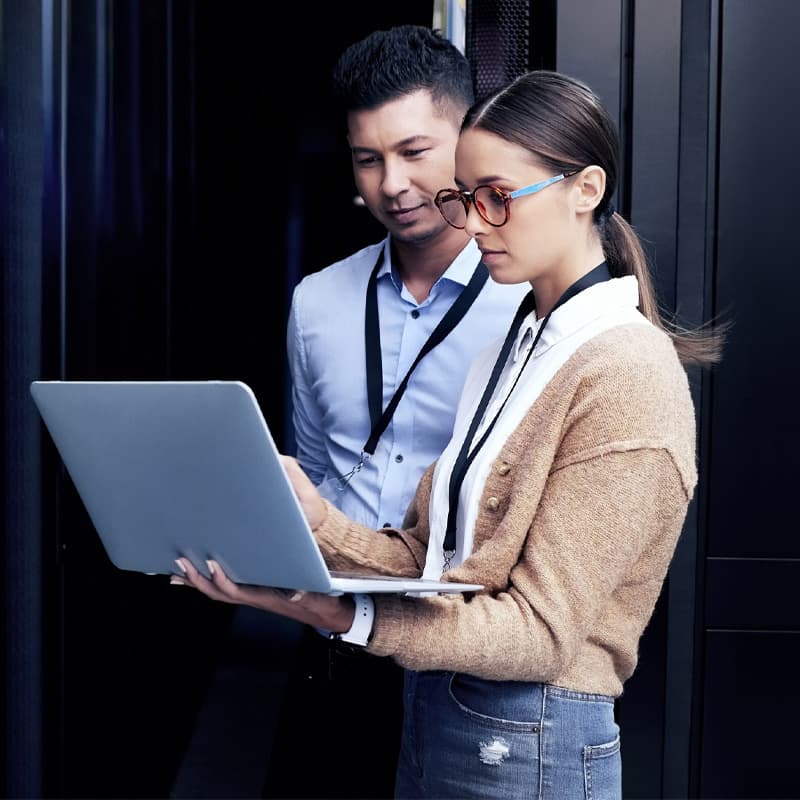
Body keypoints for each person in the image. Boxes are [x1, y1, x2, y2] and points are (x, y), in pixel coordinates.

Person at [173, 69, 725, 798]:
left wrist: (340, 613)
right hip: (446, 711)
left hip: (533, 737)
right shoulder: (522, 342)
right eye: (465, 198)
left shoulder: (626, 368)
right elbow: (432, 561)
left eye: (498, 197)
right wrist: (317, 521)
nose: (473, 223)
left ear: (584, 189)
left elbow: (540, 633)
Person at [267, 24, 528, 800]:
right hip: (332, 644)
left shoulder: (528, 303)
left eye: (415, 152)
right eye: (368, 158)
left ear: (469, 140)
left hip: (467, 656)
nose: (392, 185)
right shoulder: (316, 301)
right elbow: (312, 471)